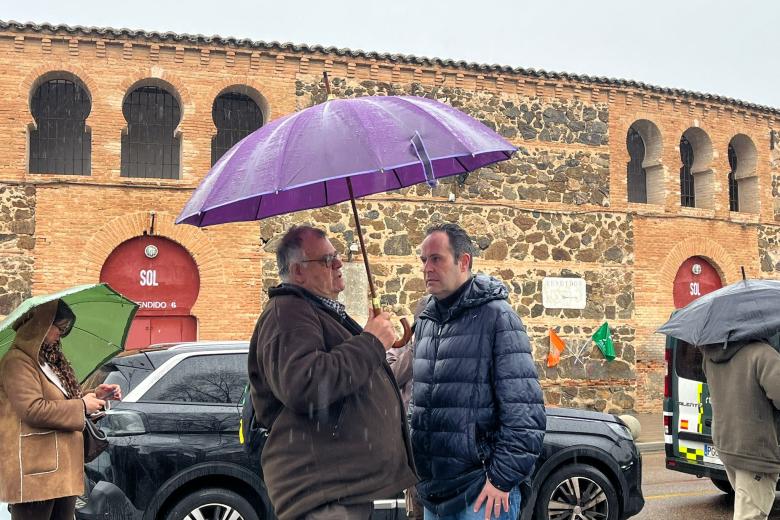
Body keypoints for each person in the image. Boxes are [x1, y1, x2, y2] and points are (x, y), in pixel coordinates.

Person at [248, 225, 417, 520]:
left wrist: (373, 340)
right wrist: (371, 341)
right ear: (298, 271)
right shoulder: (287, 313)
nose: (339, 264)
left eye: (336, 256)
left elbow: (341, 368)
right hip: (321, 496)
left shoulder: (314, 311)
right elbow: (305, 384)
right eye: (327, 260)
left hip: (339, 490)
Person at [411, 223, 546, 520]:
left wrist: (501, 478)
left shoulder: (498, 317)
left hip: (481, 493)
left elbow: (525, 413)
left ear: (464, 261)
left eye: (436, 258)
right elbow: (419, 402)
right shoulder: (426, 321)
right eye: (423, 260)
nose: (427, 268)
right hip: (435, 492)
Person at [0, 299, 121, 520]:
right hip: (35, 473)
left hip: (61, 471)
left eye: (65, 328)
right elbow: (32, 409)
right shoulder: (18, 362)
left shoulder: (50, 362)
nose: (62, 333)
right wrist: (81, 406)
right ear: (40, 324)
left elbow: (63, 402)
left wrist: (93, 396)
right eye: (59, 326)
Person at [701, 339, 780, 520]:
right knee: (751, 515)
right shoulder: (762, 354)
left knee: (746, 506)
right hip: (755, 450)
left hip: (727, 443)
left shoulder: (710, 354)